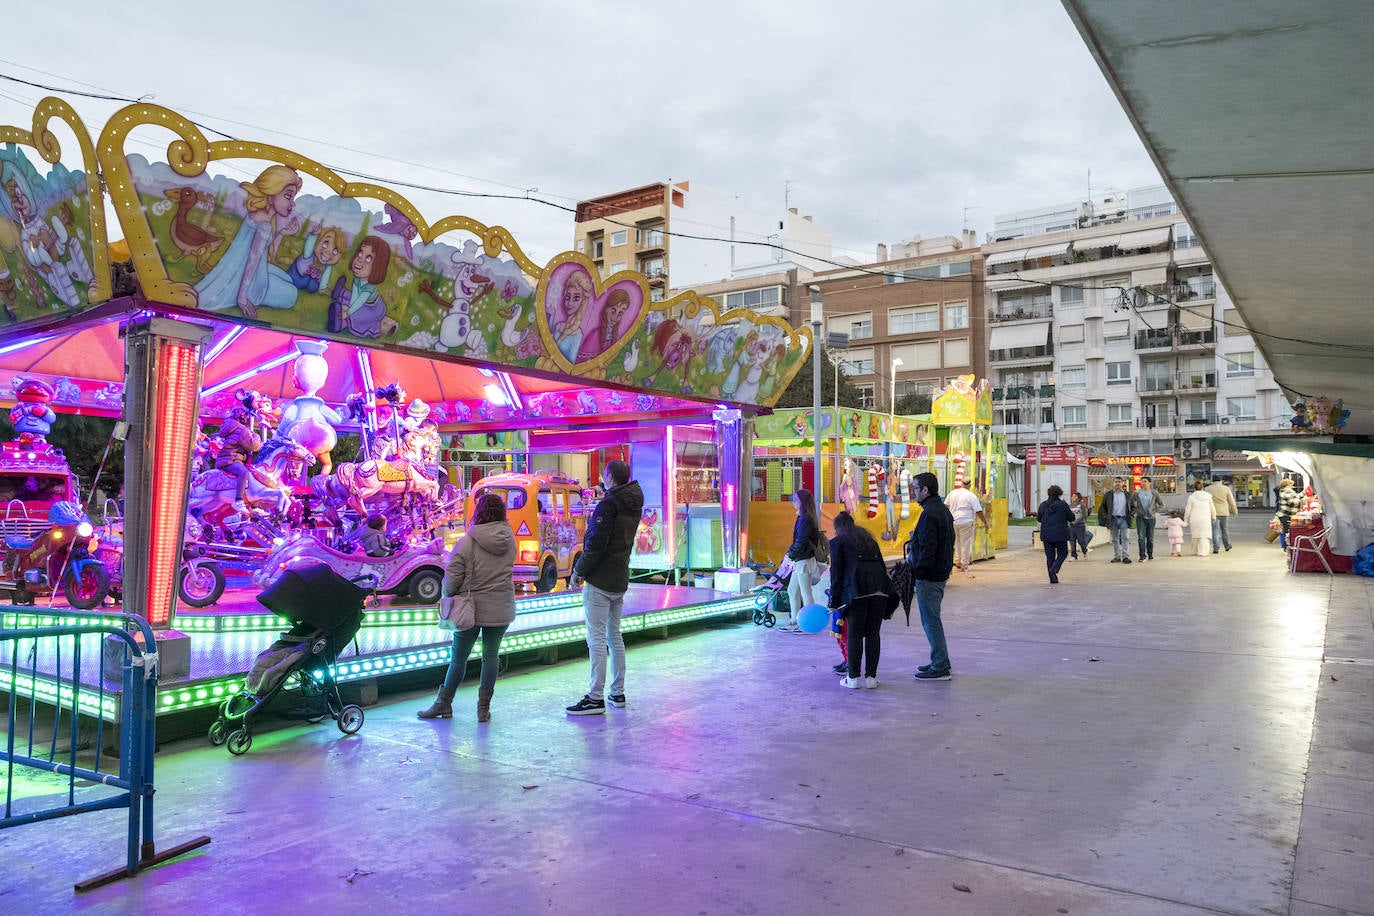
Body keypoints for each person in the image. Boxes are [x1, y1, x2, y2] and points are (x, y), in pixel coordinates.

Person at [418, 493, 517, 723]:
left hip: (468, 610)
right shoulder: (509, 539)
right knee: (491, 656)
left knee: (459, 659)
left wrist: (446, 595)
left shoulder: (467, 541)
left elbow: (452, 580)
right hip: (501, 606)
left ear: (478, 512)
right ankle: (483, 709)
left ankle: (443, 704)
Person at [566, 460, 644, 716]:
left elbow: (596, 545)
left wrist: (579, 572)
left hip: (600, 580)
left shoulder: (608, 505)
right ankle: (617, 692)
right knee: (614, 636)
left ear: (609, 477)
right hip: (619, 576)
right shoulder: (632, 502)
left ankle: (595, 697)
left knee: (597, 639)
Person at [827, 511, 894, 689]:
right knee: (873, 634)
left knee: (855, 635)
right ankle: (871, 679)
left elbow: (836, 574)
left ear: (837, 528)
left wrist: (834, 602)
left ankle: (853, 678)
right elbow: (881, 565)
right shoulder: (869, 540)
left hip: (857, 593)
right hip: (880, 591)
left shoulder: (838, 542)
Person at [908, 472, 955, 681]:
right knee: (931, 619)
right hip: (939, 571)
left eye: (916, 488)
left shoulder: (930, 514)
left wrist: (918, 570)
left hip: (930, 575)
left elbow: (929, 547)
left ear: (925, 490)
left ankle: (940, 665)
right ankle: (939, 660)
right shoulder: (941, 510)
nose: (913, 492)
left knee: (931, 621)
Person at [778, 489, 822, 633]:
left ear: (802, 502)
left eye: (796, 499)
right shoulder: (804, 518)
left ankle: (808, 623)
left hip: (803, 560)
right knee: (792, 590)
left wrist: (791, 554)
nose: (793, 502)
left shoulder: (805, 519)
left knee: (805, 592)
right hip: (800, 559)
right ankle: (795, 621)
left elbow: (801, 541)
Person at [213, 407, 262, 515]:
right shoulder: (240, 430)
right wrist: (256, 435)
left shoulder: (232, 426)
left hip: (229, 457)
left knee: (253, 473)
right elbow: (253, 446)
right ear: (243, 417)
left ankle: (254, 504)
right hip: (230, 459)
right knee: (244, 472)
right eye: (246, 417)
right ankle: (239, 500)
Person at [944, 481, 989, 573]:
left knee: (957, 541)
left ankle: (958, 561)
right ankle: (964, 564)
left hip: (954, 521)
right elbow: (978, 511)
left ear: (961, 484)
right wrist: (985, 522)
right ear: (970, 485)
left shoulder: (953, 493)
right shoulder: (971, 496)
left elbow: (945, 505)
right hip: (966, 521)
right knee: (965, 543)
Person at [1035, 485, 1074, 585]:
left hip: (1046, 534)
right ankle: (1055, 568)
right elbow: (1071, 518)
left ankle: (1052, 578)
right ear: (1059, 494)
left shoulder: (1043, 505)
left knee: (1050, 556)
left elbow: (1039, 519)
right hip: (1060, 533)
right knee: (1063, 553)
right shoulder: (1063, 505)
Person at [1097, 477, 1135, 563]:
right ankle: (1117, 557)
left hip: (1124, 519)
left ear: (1122, 483)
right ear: (1113, 483)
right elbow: (1103, 507)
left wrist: (1131, 514)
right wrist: (1106, 517)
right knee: (1115, 539)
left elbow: (1133, 506)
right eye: (1116, 482)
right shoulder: (1108, 495)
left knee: (1125, 538)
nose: (1117, 483)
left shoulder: (1127, 495)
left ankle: (1125, 557)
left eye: (1119, 482)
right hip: (1113, 519)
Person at [1129, 477, 1163, 562]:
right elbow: (1131, 503)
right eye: (1142, 482)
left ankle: (1150, 554)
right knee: (1141, 538)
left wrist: (1154, 511)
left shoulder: (1154, 493)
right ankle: (1142, 556)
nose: (1143, 483)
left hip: (1151, 519)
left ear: (1149, 483)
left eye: (1145, 481)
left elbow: (1162, 505)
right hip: (1140, 518)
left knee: (1150, 538)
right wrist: (1134, 511)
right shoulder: (1137, 493)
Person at [1206, 476, 1239, 553]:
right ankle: (1227, 545)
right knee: (1225, 529)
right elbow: (1231, 501)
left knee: (1215, 530)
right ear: (1220, 481)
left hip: (1213, 512)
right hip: (1224, 512)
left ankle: (1216, 548)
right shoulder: (1226, 489)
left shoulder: (1207, 489)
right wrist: (1235, 511)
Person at [1184, 481, 1217, 556]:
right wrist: (1214, 516)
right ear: (1203, 487)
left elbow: (1188, 510)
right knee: (1204, 536)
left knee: (1195, 536)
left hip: (1194, 518)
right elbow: (1212, 508)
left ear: (1194, 488)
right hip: (1205, 518)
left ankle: (1194, 551)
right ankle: (1203, 552)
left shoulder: (1191, 497)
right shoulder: (1208, 496)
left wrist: (1186, 519)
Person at [1274, 478, 1302, 549]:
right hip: (1286, 515)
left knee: (1284, 531)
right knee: (1287, 532)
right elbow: (1292, 503)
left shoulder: (1284, 491)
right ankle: (1287, 548)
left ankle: (1286, 546)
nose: (1292, 486)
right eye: (1291, 485)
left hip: (1283, 515)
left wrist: (1302, 494)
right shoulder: (1287, 492)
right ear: (1288, 485)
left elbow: (1294, 498)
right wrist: (1302, 501)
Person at [1068, 491, 1092, 559]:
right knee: (1072, 541)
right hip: (1072, 526)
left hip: (1080, 525)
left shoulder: (1082, 505)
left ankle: (1085, 551)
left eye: (1075, 496)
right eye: (1072, 496)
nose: (1073, 497)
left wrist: (1077, 521)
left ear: (1078, 498)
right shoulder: (1070, 505)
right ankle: (1073, 555)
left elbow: (1085, 515)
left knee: (1081, 541)